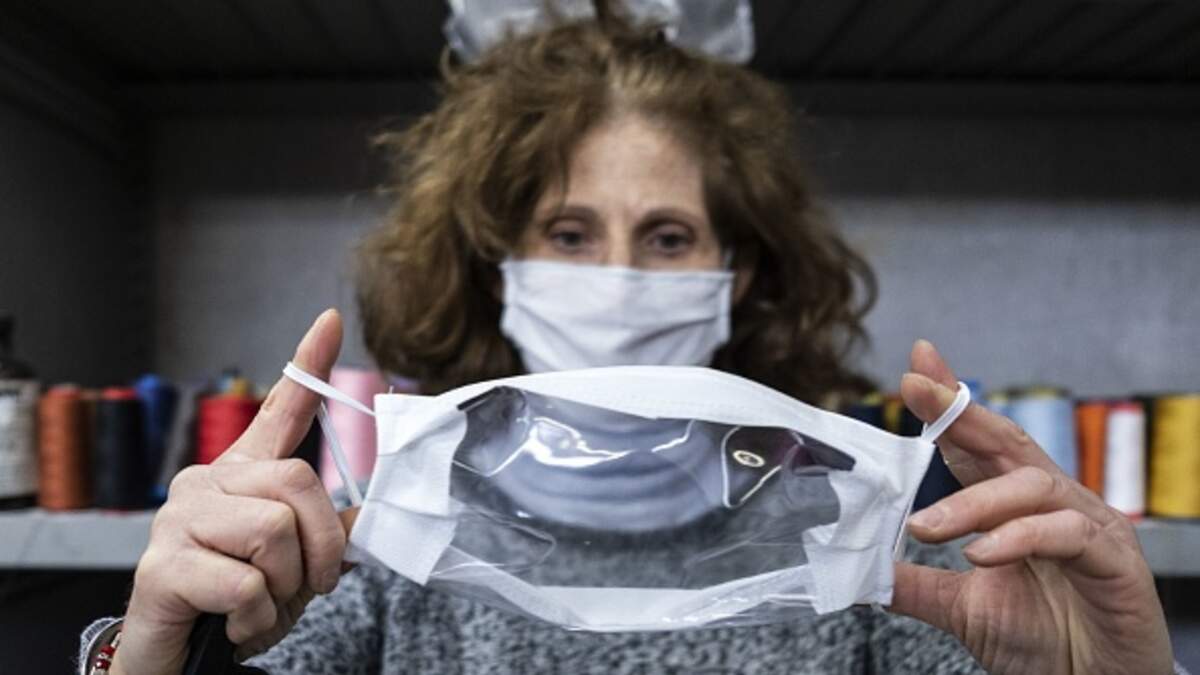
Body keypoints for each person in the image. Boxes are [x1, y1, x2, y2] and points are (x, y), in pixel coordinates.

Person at [85, 9, 1176, 675]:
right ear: (500, 267)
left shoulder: (871, 547)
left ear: (736, 274)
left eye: (666, 236)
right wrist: (156, 655)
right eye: (569, 234)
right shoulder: (386, 540)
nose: (616, 277)